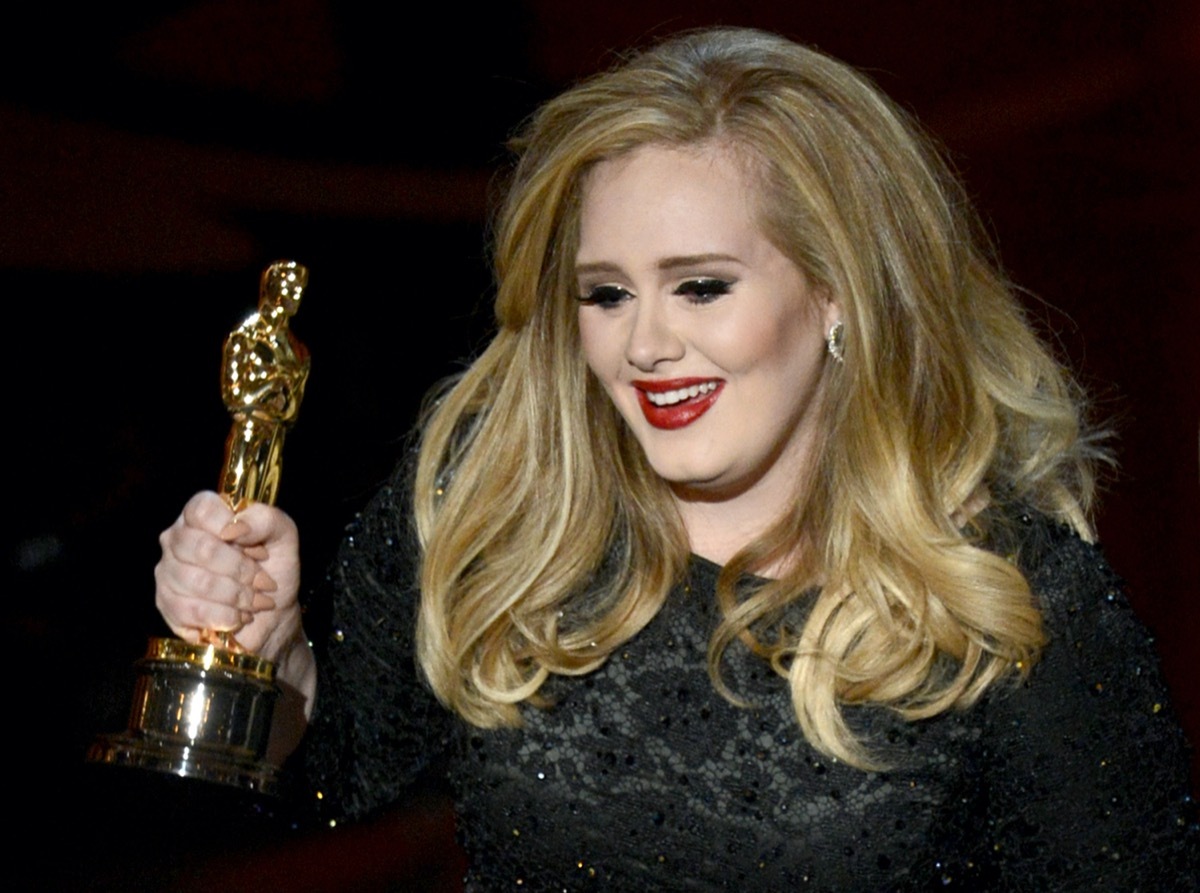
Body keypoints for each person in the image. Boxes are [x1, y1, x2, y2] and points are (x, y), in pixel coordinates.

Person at [154, 28, 1197, 891]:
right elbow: (323, 780)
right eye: (607, 293)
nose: (646, 343)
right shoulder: (498, 497)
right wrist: (272, 660)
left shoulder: (1014, 598)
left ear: (838, 293)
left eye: (701, 286)